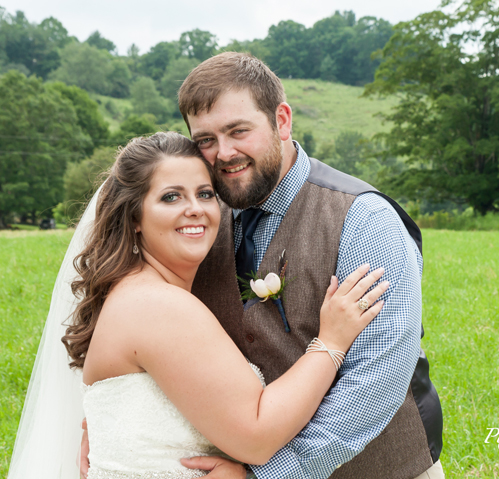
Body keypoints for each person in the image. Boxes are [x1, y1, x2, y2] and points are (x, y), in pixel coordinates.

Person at [9, 131, 387, 479]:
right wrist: (332, 343)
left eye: (205, 194)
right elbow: (255, 437)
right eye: (171, 196)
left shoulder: (136, 293)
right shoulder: (156, 306)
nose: (195, 208)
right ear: (135, 217)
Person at [173, 52, 444, 479]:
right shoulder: (200, 220)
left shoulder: (363, 219)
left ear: (282, 120)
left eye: (238, 131)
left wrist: (270, 474)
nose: (223, 153)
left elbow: (378, 375)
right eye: (205, 139)